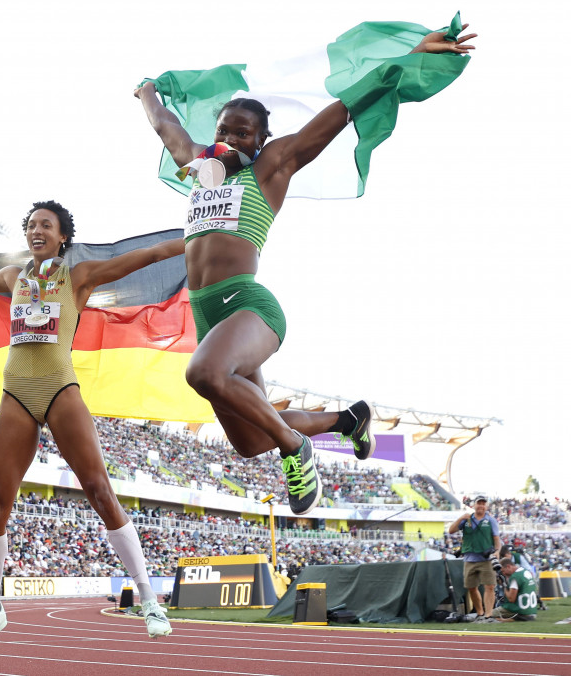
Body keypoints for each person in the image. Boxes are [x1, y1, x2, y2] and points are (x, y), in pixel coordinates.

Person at [133, 26, 477, 516]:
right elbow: (165, 126)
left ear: (263, 140)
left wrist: (407, 58)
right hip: (210, 315)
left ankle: (296, 449)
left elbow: (341, 110)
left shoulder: (272, 167)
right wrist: (147, 92)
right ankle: (347, 420)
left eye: (242, 133)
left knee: (204, 373)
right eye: (223, 130)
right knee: (251, 440)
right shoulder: (202, 169)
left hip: (248, 306)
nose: (229, 138)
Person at [0, 200, 183, 654]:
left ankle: (149, 600)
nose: (37, 230)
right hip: (17, 392)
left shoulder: (78, 276)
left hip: (60, 388)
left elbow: (145, 257)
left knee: (99, 490)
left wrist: (193, 240)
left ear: (63, 236)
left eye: (46, 225)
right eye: (31, 225)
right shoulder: (14, 278)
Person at [447, 495, 501, 621]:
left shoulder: (491, 520)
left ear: (486, 506)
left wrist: (497, 551)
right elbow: (451, 530)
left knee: (490, 586)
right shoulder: (466, 519)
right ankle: (480, 613)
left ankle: (488, 615)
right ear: (474, 505)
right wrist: (461, 518)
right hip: (469, 558)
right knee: (471, 587)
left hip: (486, 558)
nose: (481, 506)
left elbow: (496, 538)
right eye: (479, 503)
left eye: (483, 503)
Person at [492, 557, 538, 622]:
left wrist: (504, 585)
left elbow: (511, 599)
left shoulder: (515, 577)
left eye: (503, 571)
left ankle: (512, 618)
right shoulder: (525, 571)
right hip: (531, 610)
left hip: (520, 609)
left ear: (508, 566)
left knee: (490, 614)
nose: (503, 573)